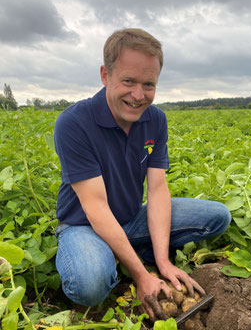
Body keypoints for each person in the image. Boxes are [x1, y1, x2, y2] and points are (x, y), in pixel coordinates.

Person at [54, 28, 231, 321]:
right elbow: (95, 206)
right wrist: (140, 275)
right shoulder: (74, 123)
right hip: (83, 224)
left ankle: (135, 250)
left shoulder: (155, 120)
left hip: (132, 218)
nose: (138, 96)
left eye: (148, 84)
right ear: (105, 75)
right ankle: (115, 257)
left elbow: (158, 189)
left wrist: (162, 262)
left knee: (217, 217)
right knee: (90, 284)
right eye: (128, 81)